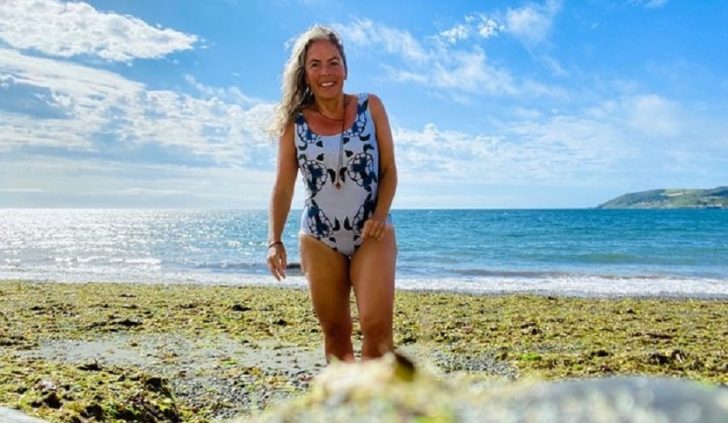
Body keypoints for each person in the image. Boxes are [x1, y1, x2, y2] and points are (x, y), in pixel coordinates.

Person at [267, 25, 398, 362]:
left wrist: (381, 214)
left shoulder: (372, 107)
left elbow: (388, 172)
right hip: (319, 237)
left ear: (345, 68)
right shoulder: (294, 123)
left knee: (377, 325)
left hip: (373, 230)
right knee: (336, 330)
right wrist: (274, 240)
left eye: (333, 62)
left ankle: (378, 408)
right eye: (315, 64)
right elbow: (283, 186)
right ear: (305, 73)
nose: (325, 72)